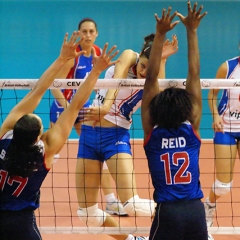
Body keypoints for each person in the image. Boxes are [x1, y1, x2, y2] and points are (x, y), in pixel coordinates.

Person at [0, 31, 120, 240]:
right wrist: (95, 72)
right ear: (39, 137)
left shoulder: (4, 135)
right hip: (20, 222)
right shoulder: (45, 151)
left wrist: (61, 59)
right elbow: (74, 107)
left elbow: (36, 91)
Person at [75, 23, 178, 227]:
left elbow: (158, 101)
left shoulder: (153, 77)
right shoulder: (130, 55)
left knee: (132, 205)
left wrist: (162, 61)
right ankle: (131, 238)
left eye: (150, 69)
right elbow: (118, 79)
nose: (144, 72)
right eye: (143, 66)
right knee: (87, 214)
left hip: (116, 136)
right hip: (89, 134)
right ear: (140, 57)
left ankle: (188, 217)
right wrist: (105, 106)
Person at [141, 2, 210, 240]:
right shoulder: (193, 130)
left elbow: (150, 78)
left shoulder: (152, 134)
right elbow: (195, 73)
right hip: (195, 211)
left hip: (168, 212)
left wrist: (159, 34)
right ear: (187, 110)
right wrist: (192, 31)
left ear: (156, 110)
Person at [50, 18, 125, 215]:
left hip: (82, 107)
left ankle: (110, 200)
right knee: (49, 155)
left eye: (91, 31)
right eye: (84, 31)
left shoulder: (98, 54)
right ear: (79, 33)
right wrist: (68, 109)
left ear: (96, 33)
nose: (88, 35)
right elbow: (54, 86)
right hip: (62, 108)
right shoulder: (73, 56)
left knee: (96, 146)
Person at [204, 52, 240, 227]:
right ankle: (209, 204)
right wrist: (215, 116)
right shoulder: (228, 67)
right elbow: (212, 94)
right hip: (226, 128)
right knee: (224, 185)